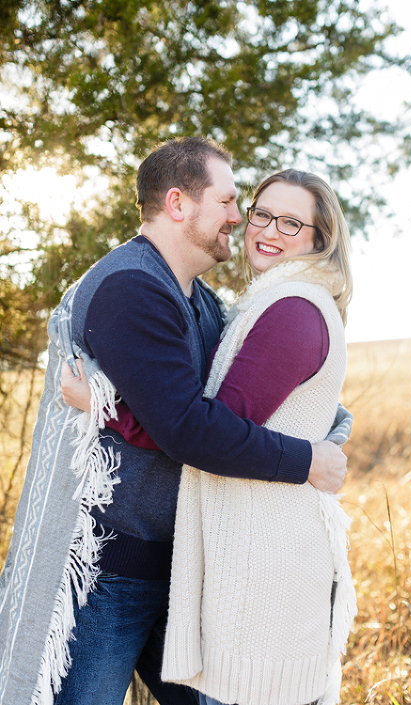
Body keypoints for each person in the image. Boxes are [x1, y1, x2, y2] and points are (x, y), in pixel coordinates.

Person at [0, 137, 350, 705]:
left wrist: (329, 433)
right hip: (109, 572)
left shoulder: (202, 299)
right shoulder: (133, 288)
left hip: (177, 566)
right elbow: (190, 429)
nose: (242, 220)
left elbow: (227, 410)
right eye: (234, 203)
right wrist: (308, 459)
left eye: (281, 219)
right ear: (178, 203)